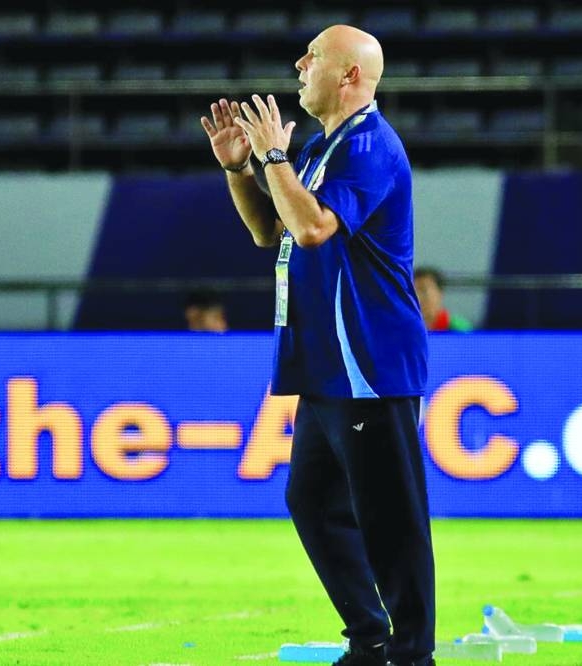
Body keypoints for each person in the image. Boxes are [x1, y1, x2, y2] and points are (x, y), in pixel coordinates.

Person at [200, 25, 434, 666]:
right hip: (328, 364)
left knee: (391, 519)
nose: (300, 64)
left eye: (314, 56)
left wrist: (274, 156)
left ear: (350, 75)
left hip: (369, 361)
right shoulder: (325, 148)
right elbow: (269, 230)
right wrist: (241, 168)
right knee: (311, 501)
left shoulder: (368, 146)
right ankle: (370, 639)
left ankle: (411, 654)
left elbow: (311, 230)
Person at [413, 266, 473, 332]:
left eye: (423, 290)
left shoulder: (459, 329)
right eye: (414, 292)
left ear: (440, 293)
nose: (418, 298)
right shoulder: (406, 330)